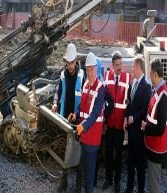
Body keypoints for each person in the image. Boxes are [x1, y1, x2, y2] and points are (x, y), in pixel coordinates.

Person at [69, 52, 105, 193]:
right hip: (83, 135)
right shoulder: (85, 85)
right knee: (80, 169)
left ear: (96, 69)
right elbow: (81, 108)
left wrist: (82, 126)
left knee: (89, 175)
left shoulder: (100, 88)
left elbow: (95, 113)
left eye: (92, 69)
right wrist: (75, 115)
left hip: (92, 138)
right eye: (88, 70)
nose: (90, 73)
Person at [52, 43, 84, 192]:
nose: (69, 65)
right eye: (67, 62)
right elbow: (58, 92)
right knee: (63, 149)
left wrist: (78, 114)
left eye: (71, 62)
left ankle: (78, 185)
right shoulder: (63, 75)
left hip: (77, 120)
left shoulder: (81, 75)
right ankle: (63, 181)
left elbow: (84, 99)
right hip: (64, 118)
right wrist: (54, 104)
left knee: (78, 151)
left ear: (76, 61)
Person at [102, 51, 131, 193]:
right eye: (117, 65)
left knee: (118, 154)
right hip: (109, 124)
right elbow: (103, 101)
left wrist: (127, 117)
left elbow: (129, 102)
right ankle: (108, 179)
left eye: (121, 64)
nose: (120, 67)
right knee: (108, 152)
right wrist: (104, 122)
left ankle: (117, 181)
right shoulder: (107, 77)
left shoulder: (127, 78)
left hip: (120, 125)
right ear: (112, 65)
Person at [141, 58, 167, 193]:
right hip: (152, 146)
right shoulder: (157, 90)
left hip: (156, 149)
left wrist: (145, 127)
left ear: (155, 74)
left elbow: (160, 129)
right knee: (152, 181)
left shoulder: (162, 96)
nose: (149, 76)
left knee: (154, 185)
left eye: (150, 73)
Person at [123, 56, 151, 193]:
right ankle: (129, 188)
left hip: (139, 133)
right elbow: (129, 103)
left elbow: (145, 107)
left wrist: (135, 117)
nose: (132, 69)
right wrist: (126, 117)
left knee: (140, 164)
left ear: (139, 68)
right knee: (130, 161)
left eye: (133, 66)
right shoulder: (133, 83)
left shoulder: (146, 86)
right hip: (131, 131)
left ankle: (140, 189)